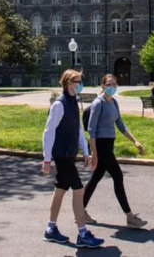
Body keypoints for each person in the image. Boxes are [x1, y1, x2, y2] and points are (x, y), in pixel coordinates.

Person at [42, 69, 104, 248]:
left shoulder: (73, 102)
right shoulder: (59, 104)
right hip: (61, 155)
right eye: (77, 81)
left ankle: (50, 229)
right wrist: (47, 159)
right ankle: (83, 233)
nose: (80, 84)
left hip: (69, 154)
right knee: (78, 190)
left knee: (61, 189)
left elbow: (77, 129)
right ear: (69, 83)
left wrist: (85, 152)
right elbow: (48, 132)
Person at [84, 74, 148, 229]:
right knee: (118, 176)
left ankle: (79, 210)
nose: (112, 87)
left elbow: (120, 124)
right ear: (103, 86)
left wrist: (135, 141)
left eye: (114, 84)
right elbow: (91, 129)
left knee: (96, 178)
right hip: (100, 145)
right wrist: (94, 153)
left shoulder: (114, 102)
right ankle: (130, 216)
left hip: (109, 144)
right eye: (109, 84)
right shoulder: (98, 103)